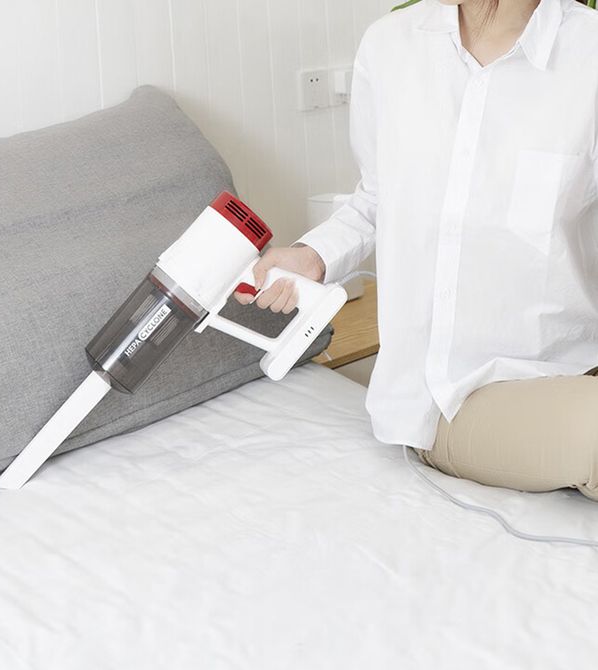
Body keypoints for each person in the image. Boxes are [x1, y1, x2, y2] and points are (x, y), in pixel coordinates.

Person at [233, 0, 598, 500]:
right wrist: (313, 255)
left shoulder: (588, 52)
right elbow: (377, 197)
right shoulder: (391, 47)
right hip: (457, 395)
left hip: (578, 364)